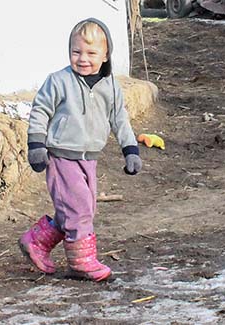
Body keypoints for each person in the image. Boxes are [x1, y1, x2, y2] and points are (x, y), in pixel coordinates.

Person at [19, 18, 141, 281]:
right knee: (79, 209)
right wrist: (36, 144)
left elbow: (119, 118)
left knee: (79, 209)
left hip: (89, 159)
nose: (82, 58)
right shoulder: (59, 81)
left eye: (91, 53)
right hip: (61, 155)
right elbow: (40, 111)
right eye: (76, 52)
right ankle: (82, 263)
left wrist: (130, 149)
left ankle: (37, 241)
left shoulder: (110, 86)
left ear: (106, 54)